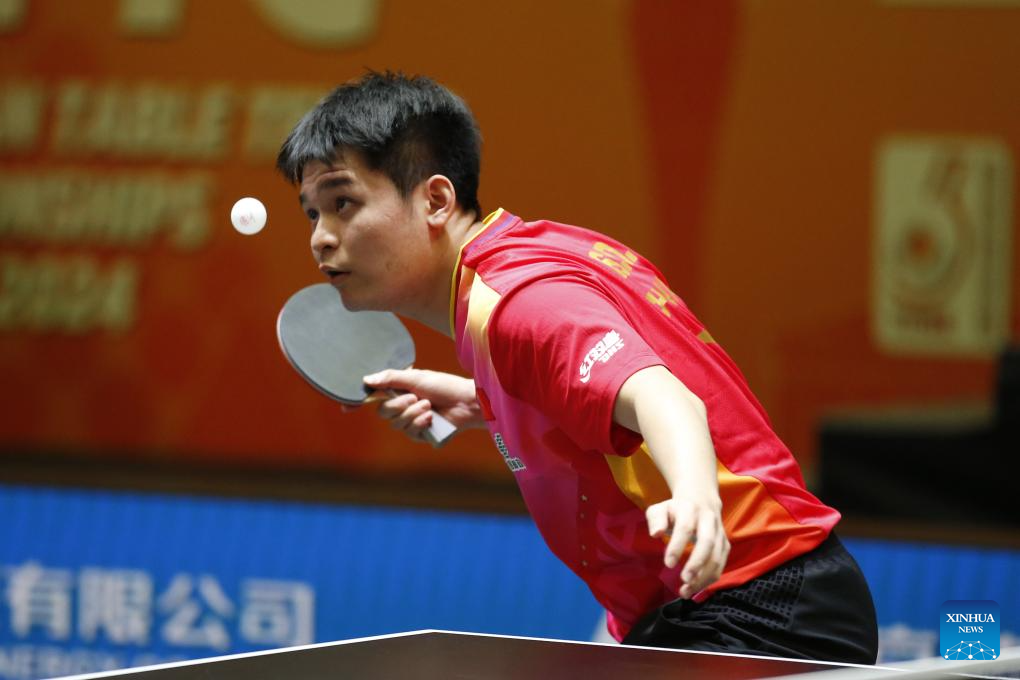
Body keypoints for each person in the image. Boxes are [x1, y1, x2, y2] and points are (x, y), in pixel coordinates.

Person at [276, 71, 879, 663]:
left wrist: (697, 500)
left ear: (435, 200)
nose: (321, 238)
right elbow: (598, 390)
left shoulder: (517, 304)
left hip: (757, 604)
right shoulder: (533, 255)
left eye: (343, 203)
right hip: (730, 600)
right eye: (312, 214)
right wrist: (486, 401)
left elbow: (665, 398)